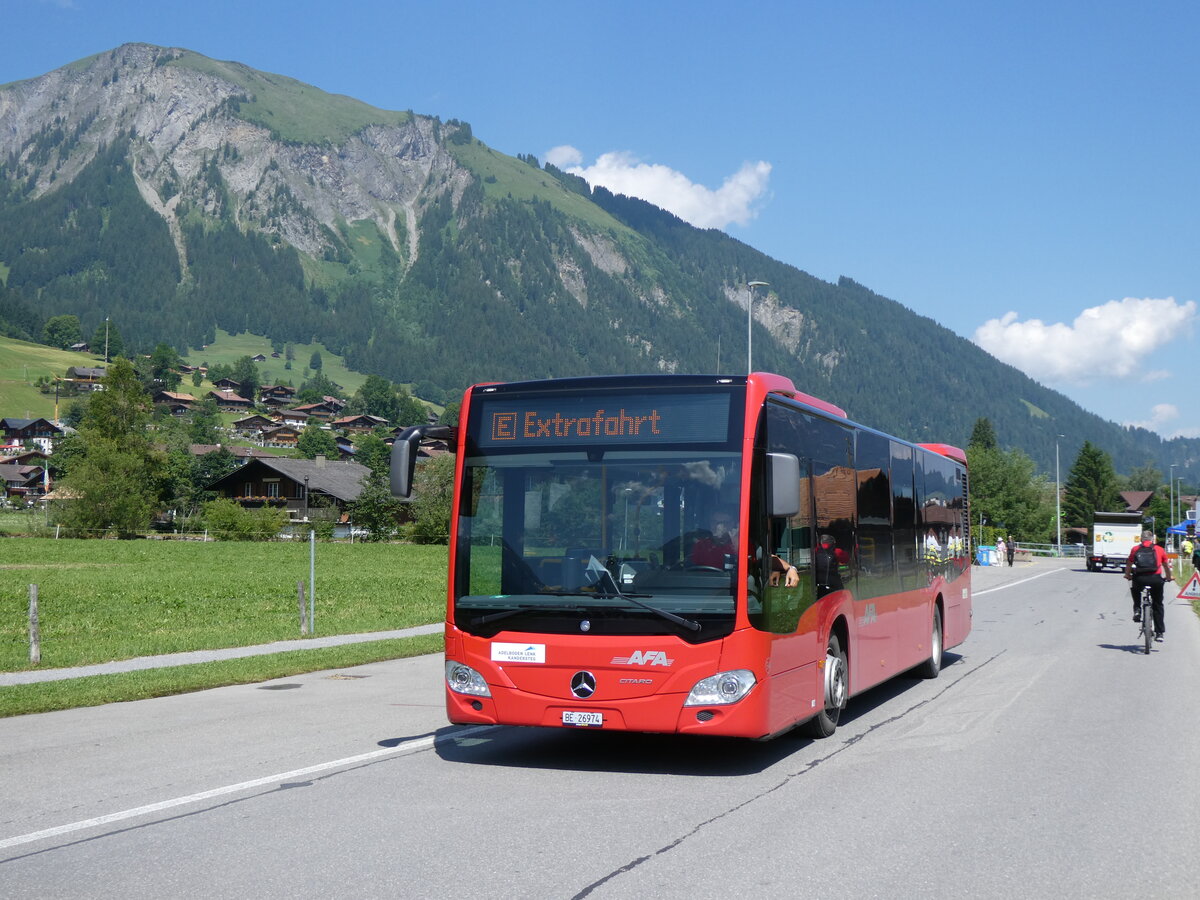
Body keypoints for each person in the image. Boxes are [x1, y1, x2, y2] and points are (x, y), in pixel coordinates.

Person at [1125, 529, 1173, 641]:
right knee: (1158, 604)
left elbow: (1129, 564)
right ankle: (1159, 633)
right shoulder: (1159, 549)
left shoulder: (1135, 549)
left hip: (1140, 579)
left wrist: (1127, 575)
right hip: (1155, 579)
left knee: (1135, 589)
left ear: (1141, 539)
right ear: (1152, 539)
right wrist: (1169, 577)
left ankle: (1137, 609)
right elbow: (1166, 566)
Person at [814, 533, 849, 598]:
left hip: (819, 584)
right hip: (834, 583)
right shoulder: (837, 551)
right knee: (842, 598)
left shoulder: (816, 550)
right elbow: (845, 560)